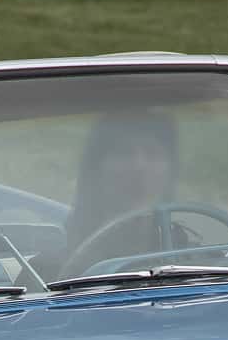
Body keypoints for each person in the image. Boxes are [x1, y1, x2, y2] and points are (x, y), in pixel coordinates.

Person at [55, 111, 187, 275]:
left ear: (170, 171)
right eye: (124, 153)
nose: (139, 166)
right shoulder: (50, 269)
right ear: (96, 169)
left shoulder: (198, 263)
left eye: (153, 153)